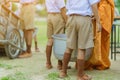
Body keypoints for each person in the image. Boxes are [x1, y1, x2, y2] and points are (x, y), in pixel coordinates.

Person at [59, 0, 101, 80]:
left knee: (69, 47)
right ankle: (80, 75)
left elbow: (67, 7)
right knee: (82, 48)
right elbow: (94, 5)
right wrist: (98, 21)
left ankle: (63, 72)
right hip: (83, 19)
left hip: (71, 18)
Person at [85, 0, 115, 70]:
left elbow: (107, 6)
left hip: (101, 19)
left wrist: (98, 15)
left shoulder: (106, 2)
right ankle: (88, 61)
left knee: (101, 41)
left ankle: (101, 61)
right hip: (90, 17)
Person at [45, 0, 68, 70]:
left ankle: (48, 63)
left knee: (50, 40)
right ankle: (60, 64)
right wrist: (67, 21)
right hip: (57, 16)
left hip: (49, 16)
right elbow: (63, 9)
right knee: (59, 40)